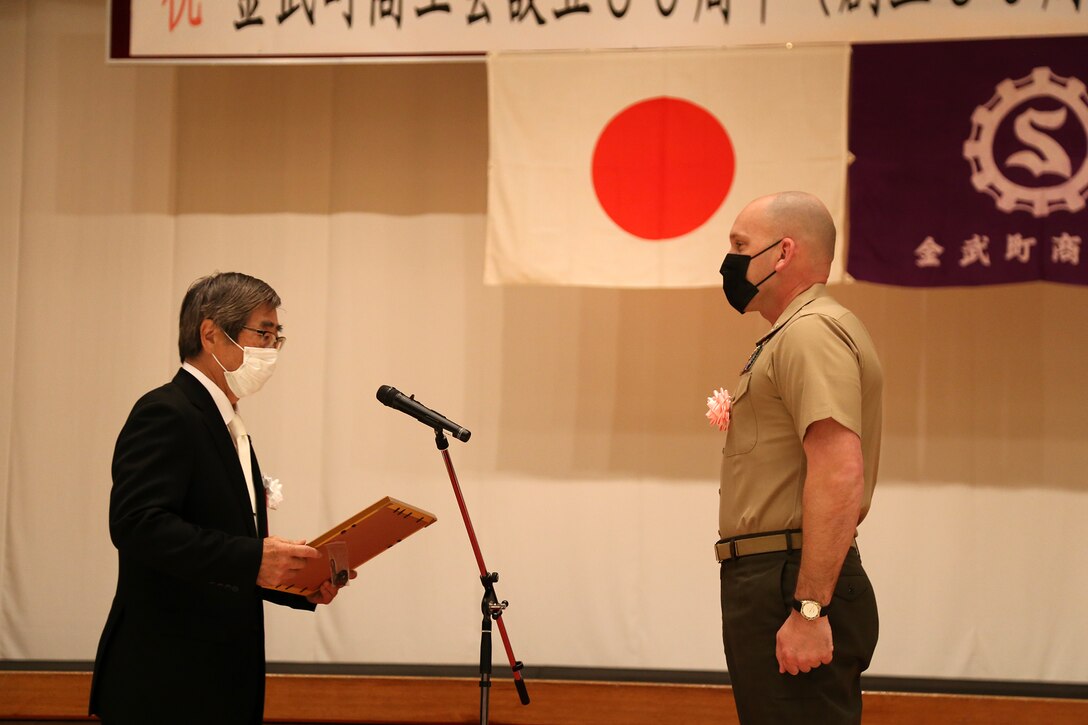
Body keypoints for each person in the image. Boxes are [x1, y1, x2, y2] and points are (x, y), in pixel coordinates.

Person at [90, 272, 345, 725]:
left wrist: (298, 581)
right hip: (167, 682)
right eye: (263, 333)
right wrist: (254, 558)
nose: (271, 349)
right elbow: (137, 525)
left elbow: (228, 551)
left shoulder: (228, 423)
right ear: (211, 334)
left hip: (221, 679)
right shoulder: (167, 411)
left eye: (277, 336)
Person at [715, 192, 882, 725]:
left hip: (789, 576)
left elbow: (839, 471)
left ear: (783, 253)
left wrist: (809, 610)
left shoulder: (810, 333)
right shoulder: (793, 333)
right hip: (776, 574)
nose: (731, 261)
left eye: (741, 246)